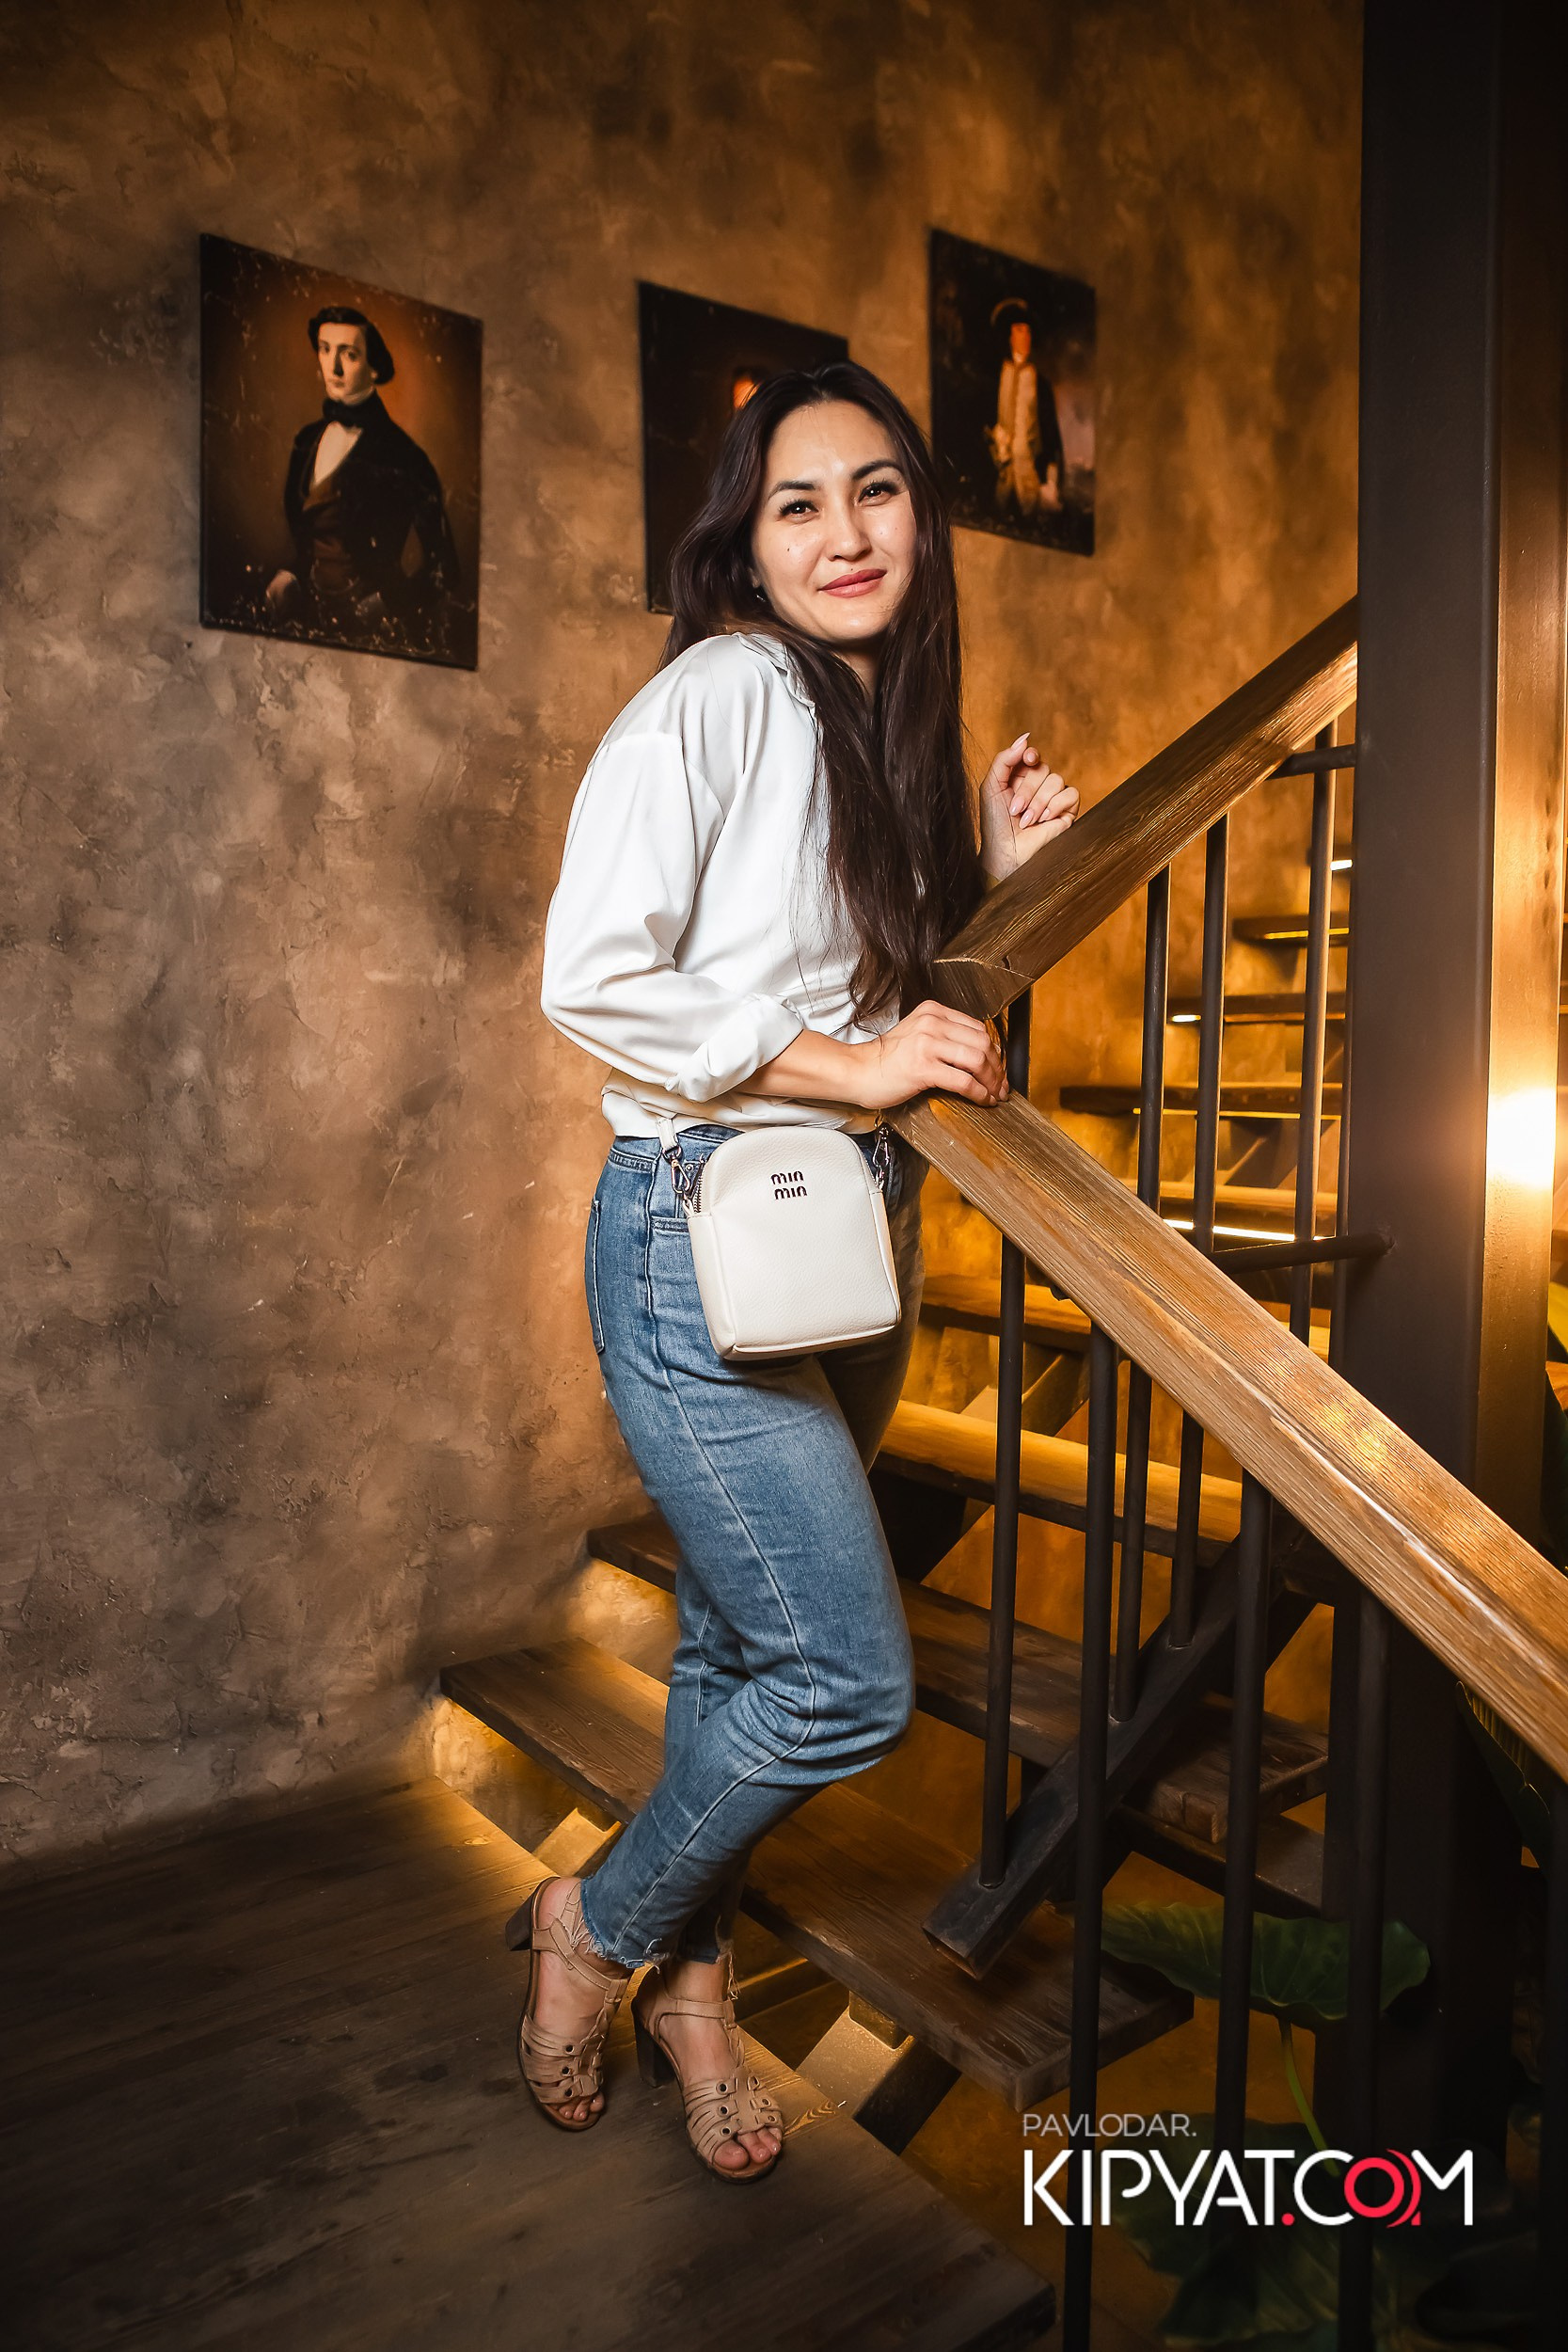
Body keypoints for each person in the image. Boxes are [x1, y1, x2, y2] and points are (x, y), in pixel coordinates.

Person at [531, 360, 1078, 2182]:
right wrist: (850, 1065)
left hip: (837, 1229)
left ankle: (686, 1986)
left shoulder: (860, 719)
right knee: (838, 1678)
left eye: (876, 491)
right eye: (796, 502)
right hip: (704, 1227)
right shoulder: (727, 688)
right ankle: (594, 1925)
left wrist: (982, 879)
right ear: (744, 544)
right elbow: (594, 973)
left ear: (921, 515)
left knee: (734, 1640)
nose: (844, 533)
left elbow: (878, 1010)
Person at [264, 306, 461, 653]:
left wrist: (384, 603)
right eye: (325, 349)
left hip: (376, 638)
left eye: (349, 355)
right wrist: (291, 576)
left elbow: (444, 571)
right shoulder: (307, 440)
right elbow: (310, 539)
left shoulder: (405, 456)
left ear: (374, 367)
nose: (333, 367)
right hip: (309, 623)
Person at [989, 310, 1065, 518]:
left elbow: (1049, 430)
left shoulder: (1040, 383)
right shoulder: (997, 375)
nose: (1025, 337)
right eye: (1020, 330)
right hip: (1001, 465)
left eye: (1028, 332)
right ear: (1010, 336)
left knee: (1031, 511)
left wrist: (1050, 472)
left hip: (1029, 468)